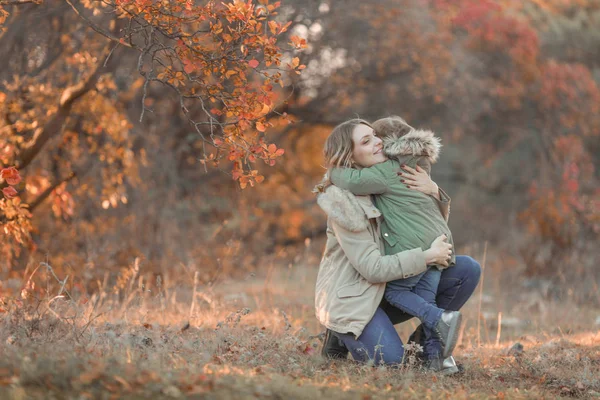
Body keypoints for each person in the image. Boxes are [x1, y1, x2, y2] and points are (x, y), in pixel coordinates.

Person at [314, 118, 481, 371]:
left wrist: (434, 191)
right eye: (366, 141)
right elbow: (371, 268)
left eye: (376, 135)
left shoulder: (395, 172)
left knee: (467, 269)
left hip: (385, 286)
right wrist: (426, 257)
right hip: (356, 297)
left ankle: (431, 351)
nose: (378, 142)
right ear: (349, 156)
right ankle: (339, 332)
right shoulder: (344, 201)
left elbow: (423, 221)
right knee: (391, 361)